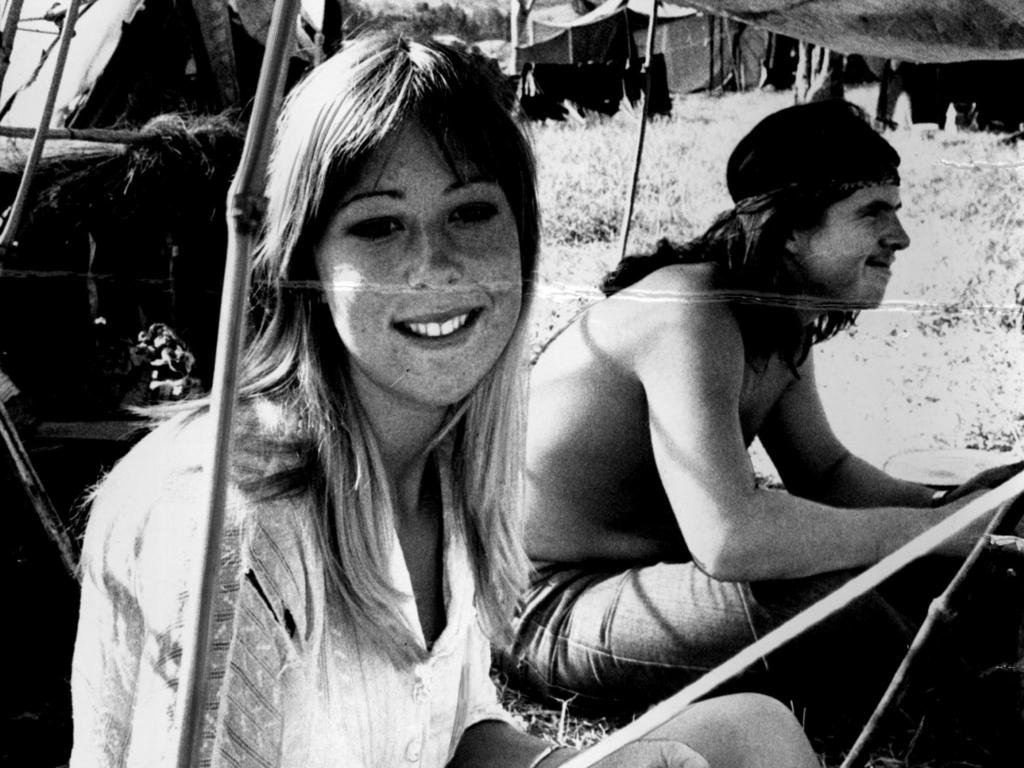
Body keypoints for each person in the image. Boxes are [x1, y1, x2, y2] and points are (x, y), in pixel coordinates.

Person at [69, 33, 823, 768]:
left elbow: (458, 733)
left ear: (524, 242)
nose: (433, 265)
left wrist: (560, 759)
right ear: (307, 261)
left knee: (749, 737)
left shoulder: (439, 455)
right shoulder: (237, 525)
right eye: (379, 224)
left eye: (469, 213)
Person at [497, 100, 1023, 746]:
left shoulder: (777, 320)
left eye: (896, 210)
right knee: (824, 601)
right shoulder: (690, 312)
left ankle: (969, 658)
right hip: (550, 607)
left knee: (968, 543)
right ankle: (970, 696)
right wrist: (928, 532)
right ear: (792, 231)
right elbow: (730, 538)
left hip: (652, 580)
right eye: (872, 214)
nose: (899, 237)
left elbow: (827, 474)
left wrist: (974, 508)